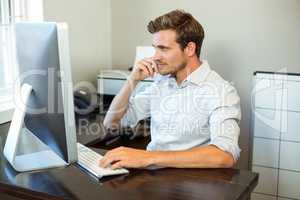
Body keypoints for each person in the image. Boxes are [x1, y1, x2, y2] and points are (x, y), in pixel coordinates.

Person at [100, 9, 241, 169]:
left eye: (164, 49)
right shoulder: (162, 83)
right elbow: (111, 122)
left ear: (189, 49)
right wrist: (132, 80)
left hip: (190, 183)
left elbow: (224, 155)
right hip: (152, 178)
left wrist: (149, 157)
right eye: (155, 48)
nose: (155, 57)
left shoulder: (221, 91)